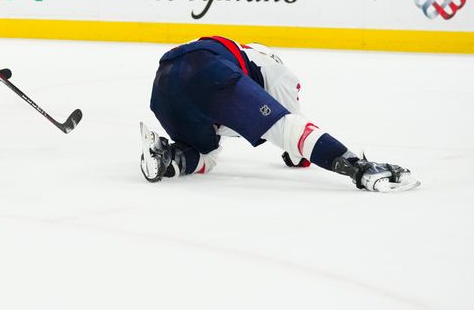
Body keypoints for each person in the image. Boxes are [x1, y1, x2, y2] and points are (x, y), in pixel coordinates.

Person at [140, 37, 419, 192]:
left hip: (163, 88)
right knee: (283, 127)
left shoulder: (241, 56)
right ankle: (360, 170)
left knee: (206, 155)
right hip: (207, 71)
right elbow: (289, 125)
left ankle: (167, 158)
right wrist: (310, 158)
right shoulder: (274, 67)